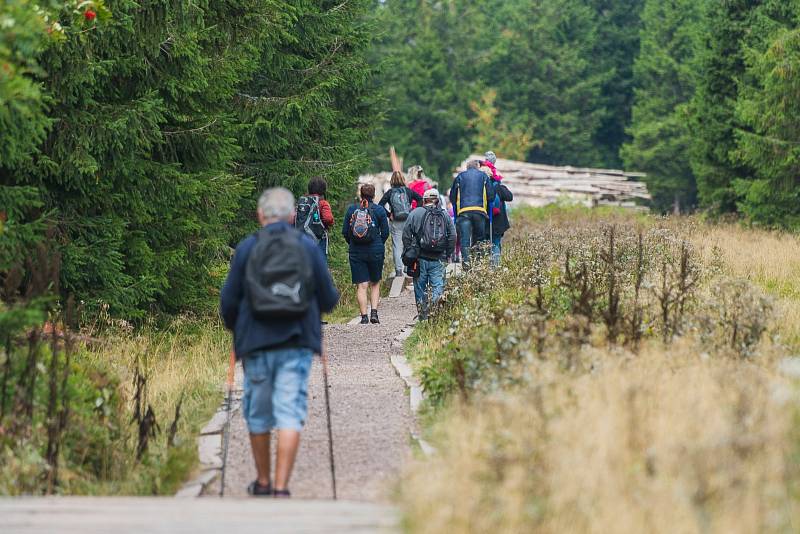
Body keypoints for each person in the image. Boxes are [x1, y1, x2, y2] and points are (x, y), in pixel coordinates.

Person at [220, 187, 339, 498]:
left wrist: (237, 331)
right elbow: (328, 298)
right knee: (289, 410)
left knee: (258, 412)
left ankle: (262, 481)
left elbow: (228, 300)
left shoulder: (247, 248)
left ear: (261, 215)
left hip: (256, 342)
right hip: (296, 340)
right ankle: (282, 488)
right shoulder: (307, 246)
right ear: (291, 216)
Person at [403, 188, 456, 320]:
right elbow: (453, 236)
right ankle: (435, 314)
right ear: (437, 200)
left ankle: (423, 316)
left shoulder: (415, 213)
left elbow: (406, 234)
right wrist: (448, 253)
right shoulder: (444, 215)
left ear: (424, 200)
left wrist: (410, 251)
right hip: (438, 258)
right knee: (438, 285)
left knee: (420, 288)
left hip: (419, 258)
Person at [343, 183, 390, 324]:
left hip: (356, 251)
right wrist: (378, 244)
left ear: (361, 195)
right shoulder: (380, 210)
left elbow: (345, 232)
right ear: (374, 195)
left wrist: (353, 243)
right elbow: (385, 233)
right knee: (375, 283)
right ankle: (374, 313)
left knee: (361, 285)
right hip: (375, 250)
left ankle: (364, 317)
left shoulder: (352, 209)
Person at [449, 160, 495, 268]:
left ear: (467, 167)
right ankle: (477, 263)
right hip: (480, 211)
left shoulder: (460, 177)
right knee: (479, 238)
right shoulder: (484, 176)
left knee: (465, 239)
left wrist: (456, 208)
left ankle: (466, 264)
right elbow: (491, 195)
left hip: (464, 212)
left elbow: (452, 196)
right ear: (477, 167)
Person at [378, 171, 423, 277]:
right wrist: (413, 211)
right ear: (403, 180)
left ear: (392, 180)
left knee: (397, 245)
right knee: (408, 244)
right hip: (409, 220)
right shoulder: (408, 191)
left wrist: (389, 215)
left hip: (396, 222)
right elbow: (420, 199)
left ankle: (399, 271)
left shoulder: (389, 192)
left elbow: (380, 205)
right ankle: (408, 267)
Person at [481, 153, 513, 267]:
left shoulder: (480, 188)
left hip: (484, 221)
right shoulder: (498, 186)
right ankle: (495, 270)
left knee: (483, 246)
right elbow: (510, 196)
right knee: (495, 245)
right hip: (498, 222)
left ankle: (484, 270)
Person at [295, 176, 335, 261]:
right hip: (319, 238)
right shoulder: (323, 203)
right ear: (323, 190)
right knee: (320, 263)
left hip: (301, 238)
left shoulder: (302, 202)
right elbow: (328, 219)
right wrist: (330, 223)